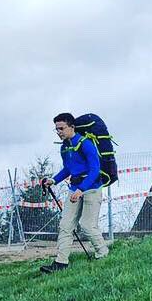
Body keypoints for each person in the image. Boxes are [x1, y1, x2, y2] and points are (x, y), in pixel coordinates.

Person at [38, 112, 109, 273]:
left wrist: (81, 189)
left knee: (87, 225)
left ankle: (103, 254)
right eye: (56, 129)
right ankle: (61, 262)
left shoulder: (86, 144)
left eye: (61, 128)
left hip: (92, 188)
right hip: (74, 188)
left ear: (72, 127)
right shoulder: (64, 147)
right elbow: (68, 168)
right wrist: (53, 180)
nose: (59, 132)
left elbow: (95, 170)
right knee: (65, 225)